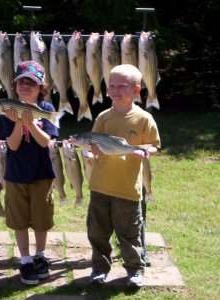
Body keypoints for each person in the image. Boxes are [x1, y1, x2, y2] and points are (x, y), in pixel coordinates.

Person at [86, 64, 160, 287]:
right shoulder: (103, 117)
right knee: (97, 232)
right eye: (112, 86)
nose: (116, 90)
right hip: (99, 187)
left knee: (129, 234)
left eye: (122, 86)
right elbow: (92, 143)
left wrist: (143, 151)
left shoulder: (144, 118)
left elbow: (155, 145)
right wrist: (93, 150)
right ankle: (99, 269)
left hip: (127, 190)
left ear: (136, 90)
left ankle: (135, 270)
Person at [0, 60, 59, 285]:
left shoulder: (48, 110)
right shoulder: (7, 111)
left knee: (42, 219)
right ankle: (25, 260)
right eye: (22, 81)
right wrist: (17, 124)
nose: (26, 86)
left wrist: (30, 122)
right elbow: (12, 146)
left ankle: (40, 256)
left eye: (31, 82)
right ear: (15, 85)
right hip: (15, 175)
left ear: (41, 87)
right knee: (19, 220)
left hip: (42, 174)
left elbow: (45, 143)